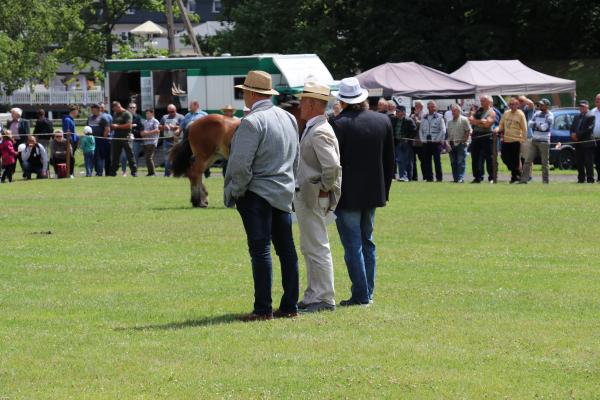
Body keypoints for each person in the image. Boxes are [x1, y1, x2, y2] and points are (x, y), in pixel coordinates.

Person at [224, 70, 300, 321]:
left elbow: (240, 164)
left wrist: (237, 190)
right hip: (283, 192)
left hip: (256, 193)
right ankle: (289, 306)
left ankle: (263, 309)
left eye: (244, 91)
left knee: (260, 251)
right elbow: (296, 157)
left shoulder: (251, 122)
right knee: (286, 250)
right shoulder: (288, 118)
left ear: (251, 93)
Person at [330, 77, 394, 306]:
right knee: (367, 241)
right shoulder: (383, 121)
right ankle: (367, 291)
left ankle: (361, 294)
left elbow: (333, 163)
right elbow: (390, 161)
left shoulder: (337, 124)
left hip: (348, 194)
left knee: (353, 245)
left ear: (342, 100)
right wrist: (384, 191)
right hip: (373, 192)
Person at [295, 80, 342, 313]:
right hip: (310, 194)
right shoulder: (316, 127)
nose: (300, 105)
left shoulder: (320, 130)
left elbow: (332, 167)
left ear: (313, 103)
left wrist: (323, 187)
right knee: (310, 246)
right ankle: (314, 294)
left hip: (313, 195)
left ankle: (323, 297)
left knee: (317, 246)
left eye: (303, 101)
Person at [521, 99, 554, 184]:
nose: (540, 106)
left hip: (544, 141)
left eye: (542, 105)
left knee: (544, 163)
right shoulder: (536, 113)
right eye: (540, 104)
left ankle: (545, 181)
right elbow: (529, 124)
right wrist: (538, 125)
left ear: (547, 106)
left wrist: (535, 124)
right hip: (534, 140)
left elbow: (544, 128)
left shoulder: (550, 115)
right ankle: (523, 180)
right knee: (528, 161)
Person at [497, 97, 528, 183]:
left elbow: (524, 128)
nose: (512, 106)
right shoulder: (506, 113)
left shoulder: (520, 114)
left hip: (516, 140)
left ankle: (514, 177)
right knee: (504, 157)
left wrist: (523, 140)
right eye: (510, 104)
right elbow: (501, 125)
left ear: (517, 105)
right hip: (506, 140)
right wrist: (496, 130)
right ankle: (517, 173)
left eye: (514, 104)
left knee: (515, 160)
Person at [469, 96, 496, 183]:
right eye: (481, 101)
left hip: (486, 136)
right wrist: (481, 121)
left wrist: (476, 122)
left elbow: (487, 125)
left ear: (489, 102)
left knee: (489, 157)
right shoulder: (479, 110)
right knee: (475, 157)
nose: (481, 102)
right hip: (476, 135)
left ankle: (492, 177)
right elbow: (471, 120)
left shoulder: (491, 112)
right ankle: (477, 177)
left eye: (483, 101)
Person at [419, 100, 446, 182]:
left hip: (436, 143)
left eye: (434, 106)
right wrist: (422, 139)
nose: (434, 108)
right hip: (426, 143)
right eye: (432, 106)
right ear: (428, 107)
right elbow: (420, 130)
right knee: (427, 161)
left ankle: (439, 178)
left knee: (437, 161)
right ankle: (429, 178)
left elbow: (443, 130)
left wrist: (437, 139)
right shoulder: (424, 117)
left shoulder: (440, 117)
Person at [570, 100, 596, 183]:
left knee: (588, 162)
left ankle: (590, 179)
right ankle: (581, 179)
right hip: (577, 143)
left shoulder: (591, 116)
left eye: (583, 106)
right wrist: (572, 135)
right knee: (579, 162)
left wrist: (577, 135)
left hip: (587, 143)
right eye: (580, 106)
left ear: (587, 106)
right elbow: (572, 128)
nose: (581, 108)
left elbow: (589, 130)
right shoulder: (577, 116)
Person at [109, 101, 137, 177]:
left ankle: (134, 172)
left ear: (118, 106)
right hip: (116, 137)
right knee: (115, 155)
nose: (114, 111)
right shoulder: (115, 114)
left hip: (126, 137)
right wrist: (113, 126)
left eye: (114, 109)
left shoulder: (127, 113)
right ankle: (113, 172)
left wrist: (117, 126)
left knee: (130, 155)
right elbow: (114, 124)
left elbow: (129, 125)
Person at [446, 104, 472, 183]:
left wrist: (464, 141)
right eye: (452, 111)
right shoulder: (449, 122)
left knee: (460, 162)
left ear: (459, 111)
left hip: (461, 144)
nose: (453, 112)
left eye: (454, 111)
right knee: (453, 162)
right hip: (451, 144)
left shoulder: (464, 120)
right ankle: (455, 178)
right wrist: (448, 144)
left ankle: (461, 178)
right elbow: (448, 134)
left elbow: (468, 131)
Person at [394, 105, 417, 181]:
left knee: (408, 161)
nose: (397, 113)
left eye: (398, 111)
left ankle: (409, 177)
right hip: (398, 142)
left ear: (403, 112)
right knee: (400, 160)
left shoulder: (409, 120)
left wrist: (408, 139)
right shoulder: (395, 120)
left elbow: (414, 130)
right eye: (396, 111)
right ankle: (403, 176)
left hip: (407, 143)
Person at [160, 104, 184, 177]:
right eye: (169, 112)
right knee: (167, 159)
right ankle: (167, 175)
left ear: (175, 110)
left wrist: (175, 127)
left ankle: (179, 173)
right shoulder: (164, 117)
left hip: (177, 141)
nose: (171, 113)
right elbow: (159, 127)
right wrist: (164, 127)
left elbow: (183, 126)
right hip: (167, 140)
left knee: (178, 158)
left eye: (172, 111)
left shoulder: (181, 117)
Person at [87, 104, 110, 176]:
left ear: (98, 109)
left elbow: (107, 129)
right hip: (91, 140)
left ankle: (100, 172)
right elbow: (87, 128)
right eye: (92, 110)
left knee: (100, 157)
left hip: (100, 140)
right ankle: (96, 171)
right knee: (94, 157)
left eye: (94, 110)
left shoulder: (103, 118)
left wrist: (103, 138)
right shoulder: (90, 118)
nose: (92, 111)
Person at [141, 108, 160, 176]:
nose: (147, 115)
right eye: (146, 113)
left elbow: (157, 130)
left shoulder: (155, 121)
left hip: (152, 142)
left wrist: (147, 133)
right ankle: (150, 173)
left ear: (152, 113)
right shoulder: (145, 122)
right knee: (147, 158)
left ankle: (153, 173)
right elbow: (143, 131)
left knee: (149, 157)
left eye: (148, 113)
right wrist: (142, 134)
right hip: (145, 142)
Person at [62, 105, 79, 178]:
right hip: (70, 142)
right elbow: (66, 132)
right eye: (77, 111)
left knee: (71, 158)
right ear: (73, 111)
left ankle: (71, 173)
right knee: (70, 158)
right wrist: (69, 142)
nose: (77, 113)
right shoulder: (67, 120)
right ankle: (70, 173)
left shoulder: (71, 119)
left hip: (73, 142)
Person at [411, 101, 426, 181]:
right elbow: (412, 126)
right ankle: (414, 177)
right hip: (413, 141)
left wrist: (417, 119)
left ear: (422, 107)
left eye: (418, 106)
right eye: (415, 106)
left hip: (422, 142)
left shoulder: (425, 115)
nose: (416, 107)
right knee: (413, 160)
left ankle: (425, 177)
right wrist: (415, 118)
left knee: (423, 160)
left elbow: (422, 125)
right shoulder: (412, 116)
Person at [591, 93, 600, 181]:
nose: (597, 101)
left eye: (599, 99)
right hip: (595, 140)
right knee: (597, 159)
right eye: (596, 99)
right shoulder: (592, 112)